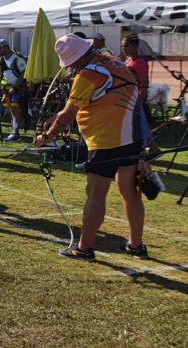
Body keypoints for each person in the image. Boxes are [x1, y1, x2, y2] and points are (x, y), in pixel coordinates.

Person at [37, 34, 148, 261]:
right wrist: (57, 118)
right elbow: (101, 97)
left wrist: (47, 137)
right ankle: (136, 245)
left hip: (107, 140)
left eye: (71, 64)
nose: (70, 68)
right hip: (133, 136)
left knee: (96, 193)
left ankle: (84, 248)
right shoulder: (113, 61)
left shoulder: (86, 75)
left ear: (78, 58)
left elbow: (68, 115)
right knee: (129, 191)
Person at [0, 39, 31, 142]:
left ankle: (15, 133)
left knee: (15, 110)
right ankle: (14, 131)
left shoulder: (18, 58)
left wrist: (15, 87)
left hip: (19, 88)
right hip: (7, 89)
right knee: (11, 110)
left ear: (5, 47)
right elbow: (0, 75)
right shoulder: (1, 60)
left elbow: (24, 74)